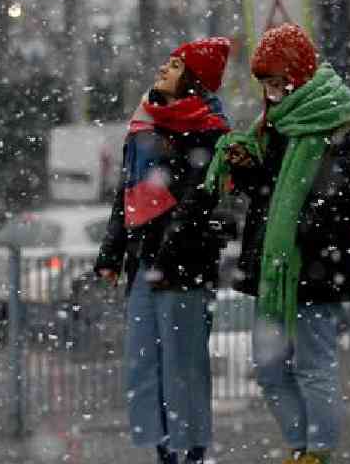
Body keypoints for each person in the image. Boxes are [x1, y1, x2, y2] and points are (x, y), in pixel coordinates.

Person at [209, 23, 350, 464]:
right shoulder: (274, 124)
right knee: (269, 367)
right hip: (274, 267)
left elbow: (342, 200)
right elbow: (268, 193)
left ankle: (318, 451)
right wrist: (245, 169)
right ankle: (301, 447)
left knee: (315, 365)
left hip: (315, 266)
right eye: (265, 83)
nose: (272, 91)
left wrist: (301, 229)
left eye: (277, 81)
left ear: (297, 73)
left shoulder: (336, 121)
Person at [95, 37, 234, 464]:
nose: (163, 69)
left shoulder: (210, 131)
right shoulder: (144, 123)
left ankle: (190, 452)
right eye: (167, 61)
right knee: (144, 363)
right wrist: (111, 253)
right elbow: (127, 193)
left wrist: (173, 237)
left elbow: (205, 198)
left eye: (175, 65)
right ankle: (161, 452)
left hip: (184, 265)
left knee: (183, 364)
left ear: (193, 79)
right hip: (143, 261)